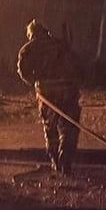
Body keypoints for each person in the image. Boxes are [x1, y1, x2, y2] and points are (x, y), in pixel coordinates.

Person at [16, 19, 83, 172]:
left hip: (47, 93)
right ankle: (66, 155)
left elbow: (23, 71)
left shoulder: (27, 50)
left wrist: (35, 82)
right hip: (68, 89)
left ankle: (55, 160)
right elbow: (76, 63)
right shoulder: (61, 45)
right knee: (69, 125)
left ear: (31, 34)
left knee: (50, 128)